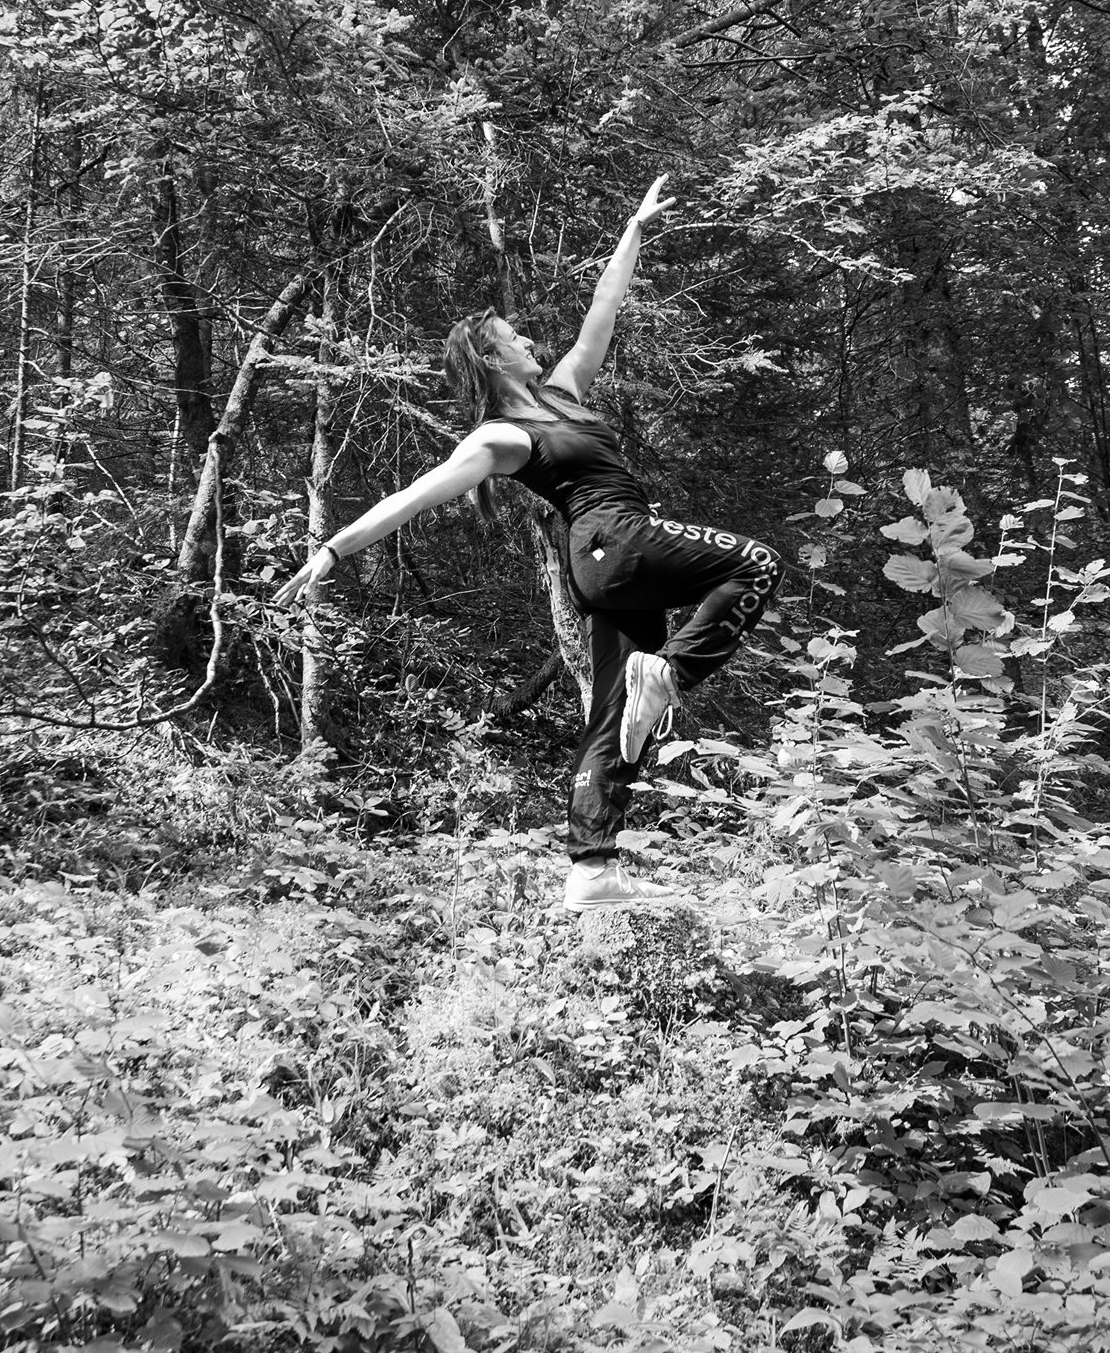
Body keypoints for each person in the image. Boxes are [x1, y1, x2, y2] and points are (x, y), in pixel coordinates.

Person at [274, 175, 779, 911]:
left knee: (613, 713)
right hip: (613, 539)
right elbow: (414, 496)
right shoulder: (500, 436)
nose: (529, 340)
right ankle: (668, 676)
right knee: (755, 561)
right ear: (492, 359)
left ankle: (591, 869)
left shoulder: (566, 392)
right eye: (514, 338)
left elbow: (604, 309)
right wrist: (331, 551)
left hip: (609, 562)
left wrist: (634, 229)